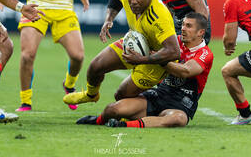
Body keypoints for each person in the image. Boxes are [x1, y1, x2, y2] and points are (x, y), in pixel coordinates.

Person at [63, 0, 181, 107]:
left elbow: (174, 52)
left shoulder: (159, 16)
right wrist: (109, 19)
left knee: (121, 96)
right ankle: (91, 95)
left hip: (156, 60)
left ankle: (156, 105)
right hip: (137, 42)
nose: (133, 2)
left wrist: (142, 59)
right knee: (95, 67)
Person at [76, 12, 213, 128]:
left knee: (178, 119)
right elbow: (149, 43)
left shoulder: (205, 53)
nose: (183, 28)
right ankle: (98, 121)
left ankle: (125, 125)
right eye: (183, 24)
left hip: (180, 105)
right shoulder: (174, 43)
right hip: (158, 95)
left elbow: (186, 71)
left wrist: (154, 58)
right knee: (113, 109)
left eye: (188, 26)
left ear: (201, 32)